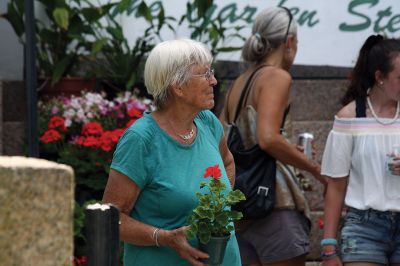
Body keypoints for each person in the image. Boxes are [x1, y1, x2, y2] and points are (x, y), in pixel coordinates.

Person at [102, 39, 242, 266]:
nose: (214, 81)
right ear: (178, 86)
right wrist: (164, 237)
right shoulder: (141, 140)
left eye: (212, 73)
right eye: (205, 74)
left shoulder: (207, 122)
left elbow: (227, 162)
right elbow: (110, 220)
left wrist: (219, 205)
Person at [220, 6, 327, 266]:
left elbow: (222, 139)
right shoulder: (277, 77)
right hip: (274, 201)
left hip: (242, 204)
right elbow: (268, 138)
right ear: (289, 42)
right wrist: (316, 169)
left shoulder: (241, 81)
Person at [320, 35, 400, 266]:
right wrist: (328, 247)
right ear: (379, 78)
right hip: (364, 227)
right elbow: (335, 185)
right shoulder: (350, 117)